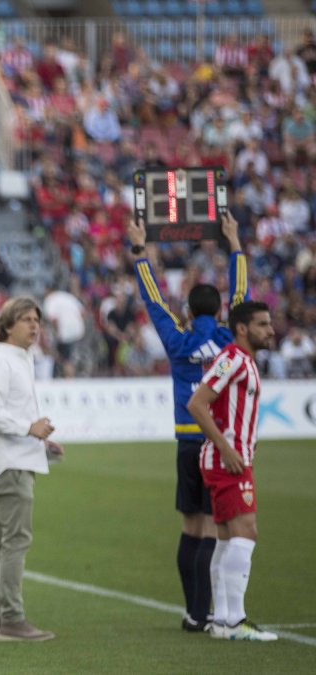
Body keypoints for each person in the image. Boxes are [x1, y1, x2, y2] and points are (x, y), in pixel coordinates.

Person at [127, 213, 249, 633]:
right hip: (218, 442)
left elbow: (152, 301)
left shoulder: (177, 340)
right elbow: (242, 297)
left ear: (187, 309)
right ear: (219, 312)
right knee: (217, 531)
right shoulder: (230, 338)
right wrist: (234, 244)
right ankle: (211, 610)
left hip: (185, 441)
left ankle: (194, 611)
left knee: (190, 528)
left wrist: (140, 252)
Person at [185, 300, 277, 641]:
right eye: (263, 324)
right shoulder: (231, 359)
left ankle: (224, 621)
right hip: (228, 461)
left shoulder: (245, 362)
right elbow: (197, 403)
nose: (270, 330)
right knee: (246, 531)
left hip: (233, 458)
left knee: (226, 538)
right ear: (242, 328)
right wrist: (226, 447)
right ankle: (236, 621)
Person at [0, 297, 62, 642]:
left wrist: (42, 443)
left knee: (2, 541)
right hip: (8, 463)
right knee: (15, 542)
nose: (34, 325)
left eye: (36, 319)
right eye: (25, 319)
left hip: (14, 458)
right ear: (7, 325)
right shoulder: (1, 363)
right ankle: (12, 619)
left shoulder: (19, 361)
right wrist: (29, 429)